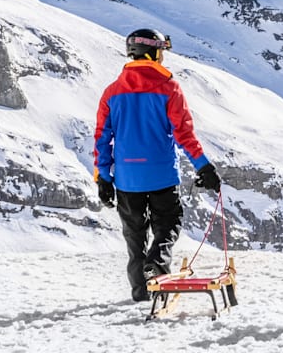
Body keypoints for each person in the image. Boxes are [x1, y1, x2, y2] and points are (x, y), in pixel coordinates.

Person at [92, 27, 223, 303]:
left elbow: (102, 138)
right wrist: (203, 167)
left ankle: (141, 293)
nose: (163, 57)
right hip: (162, 176)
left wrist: (103, 178)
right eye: (161, 52)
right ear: (151, 53)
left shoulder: (112, 93)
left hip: (127, 181)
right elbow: (184, 135)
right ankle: (157, 266)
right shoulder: (169, 88)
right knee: (168, 225)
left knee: (134, 238)